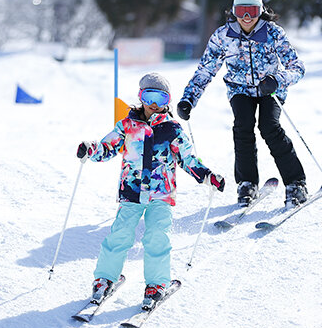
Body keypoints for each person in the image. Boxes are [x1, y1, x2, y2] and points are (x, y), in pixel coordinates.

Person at [77, 72, 225, 308]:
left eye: (161, 98)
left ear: (167, 102)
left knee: (157, 237)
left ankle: (156, 284)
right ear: (141, 96)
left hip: (161, 194)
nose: (154, 104)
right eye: (149, 96)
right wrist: (91, 149)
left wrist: (207, 176)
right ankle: (104, 280)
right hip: (132, 192)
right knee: (119, 235)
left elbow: (187, 159)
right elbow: (108, 147)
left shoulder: (172, 129)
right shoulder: (127, 126)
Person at [176, 0, 307, 208]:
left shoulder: (274, 33)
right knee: (243, 127)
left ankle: (296, 183)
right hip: (240, 90)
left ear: (261, 11)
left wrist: (277, 79)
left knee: (270, 127)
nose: (247, 18)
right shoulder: (223, 36)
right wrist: (189, 98)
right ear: (233, 12)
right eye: (241, 11)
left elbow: (297, 67)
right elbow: (206, 70)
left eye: (252, 11)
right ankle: (247, 183)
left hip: (270, 89)